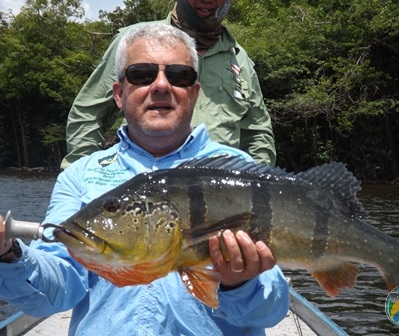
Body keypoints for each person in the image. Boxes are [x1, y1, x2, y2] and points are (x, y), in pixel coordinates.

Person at [0, 24, 289, 335]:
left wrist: (238, 282)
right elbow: (53, 294)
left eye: (179, 75)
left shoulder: (239, 174)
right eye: (142, 74)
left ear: (194, 93)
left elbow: (271, 310)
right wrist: (8, 253)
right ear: (119, 94)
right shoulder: (79, 176)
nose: (161, 85)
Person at [62, 0, 276, 169]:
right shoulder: (135, 42)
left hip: (219, 206)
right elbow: (87, 114)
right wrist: (86, 179)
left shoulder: (240, 59)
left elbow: (258, 133)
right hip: (145, 195)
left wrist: (253, 192)